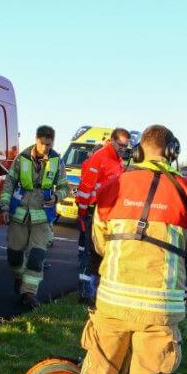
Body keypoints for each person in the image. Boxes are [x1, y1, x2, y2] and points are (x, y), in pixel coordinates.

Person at [42, 124, 187, 374]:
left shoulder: (115, 186)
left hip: (114, 301)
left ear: (137, 151)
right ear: (172, 152)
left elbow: (99, 242)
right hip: (160, 310)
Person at [0, 125, 68, 309]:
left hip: (43, 217)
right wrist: (4, 207)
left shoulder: (57, 160)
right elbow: (9, 183)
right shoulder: (21, 158)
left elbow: (63, 187)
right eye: (43, 143)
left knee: (37, 257)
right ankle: (19, 278)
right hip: (19, 213)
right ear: (36, 140)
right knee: (14, 256)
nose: (46, 148)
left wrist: (56, 197)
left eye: (49, 144)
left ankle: (29, 293)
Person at [74, 127, 130, 303]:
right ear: (112, 141)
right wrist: (83, 215)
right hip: (93, 213)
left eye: (126, 146)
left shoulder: (118, 160)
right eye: (121, 145)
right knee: (89, 254)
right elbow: (85, 190)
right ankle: (86, 294)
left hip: (109, 214)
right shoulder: (100, 158)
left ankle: (97, 291)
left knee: (103, 254)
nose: (123, 149)